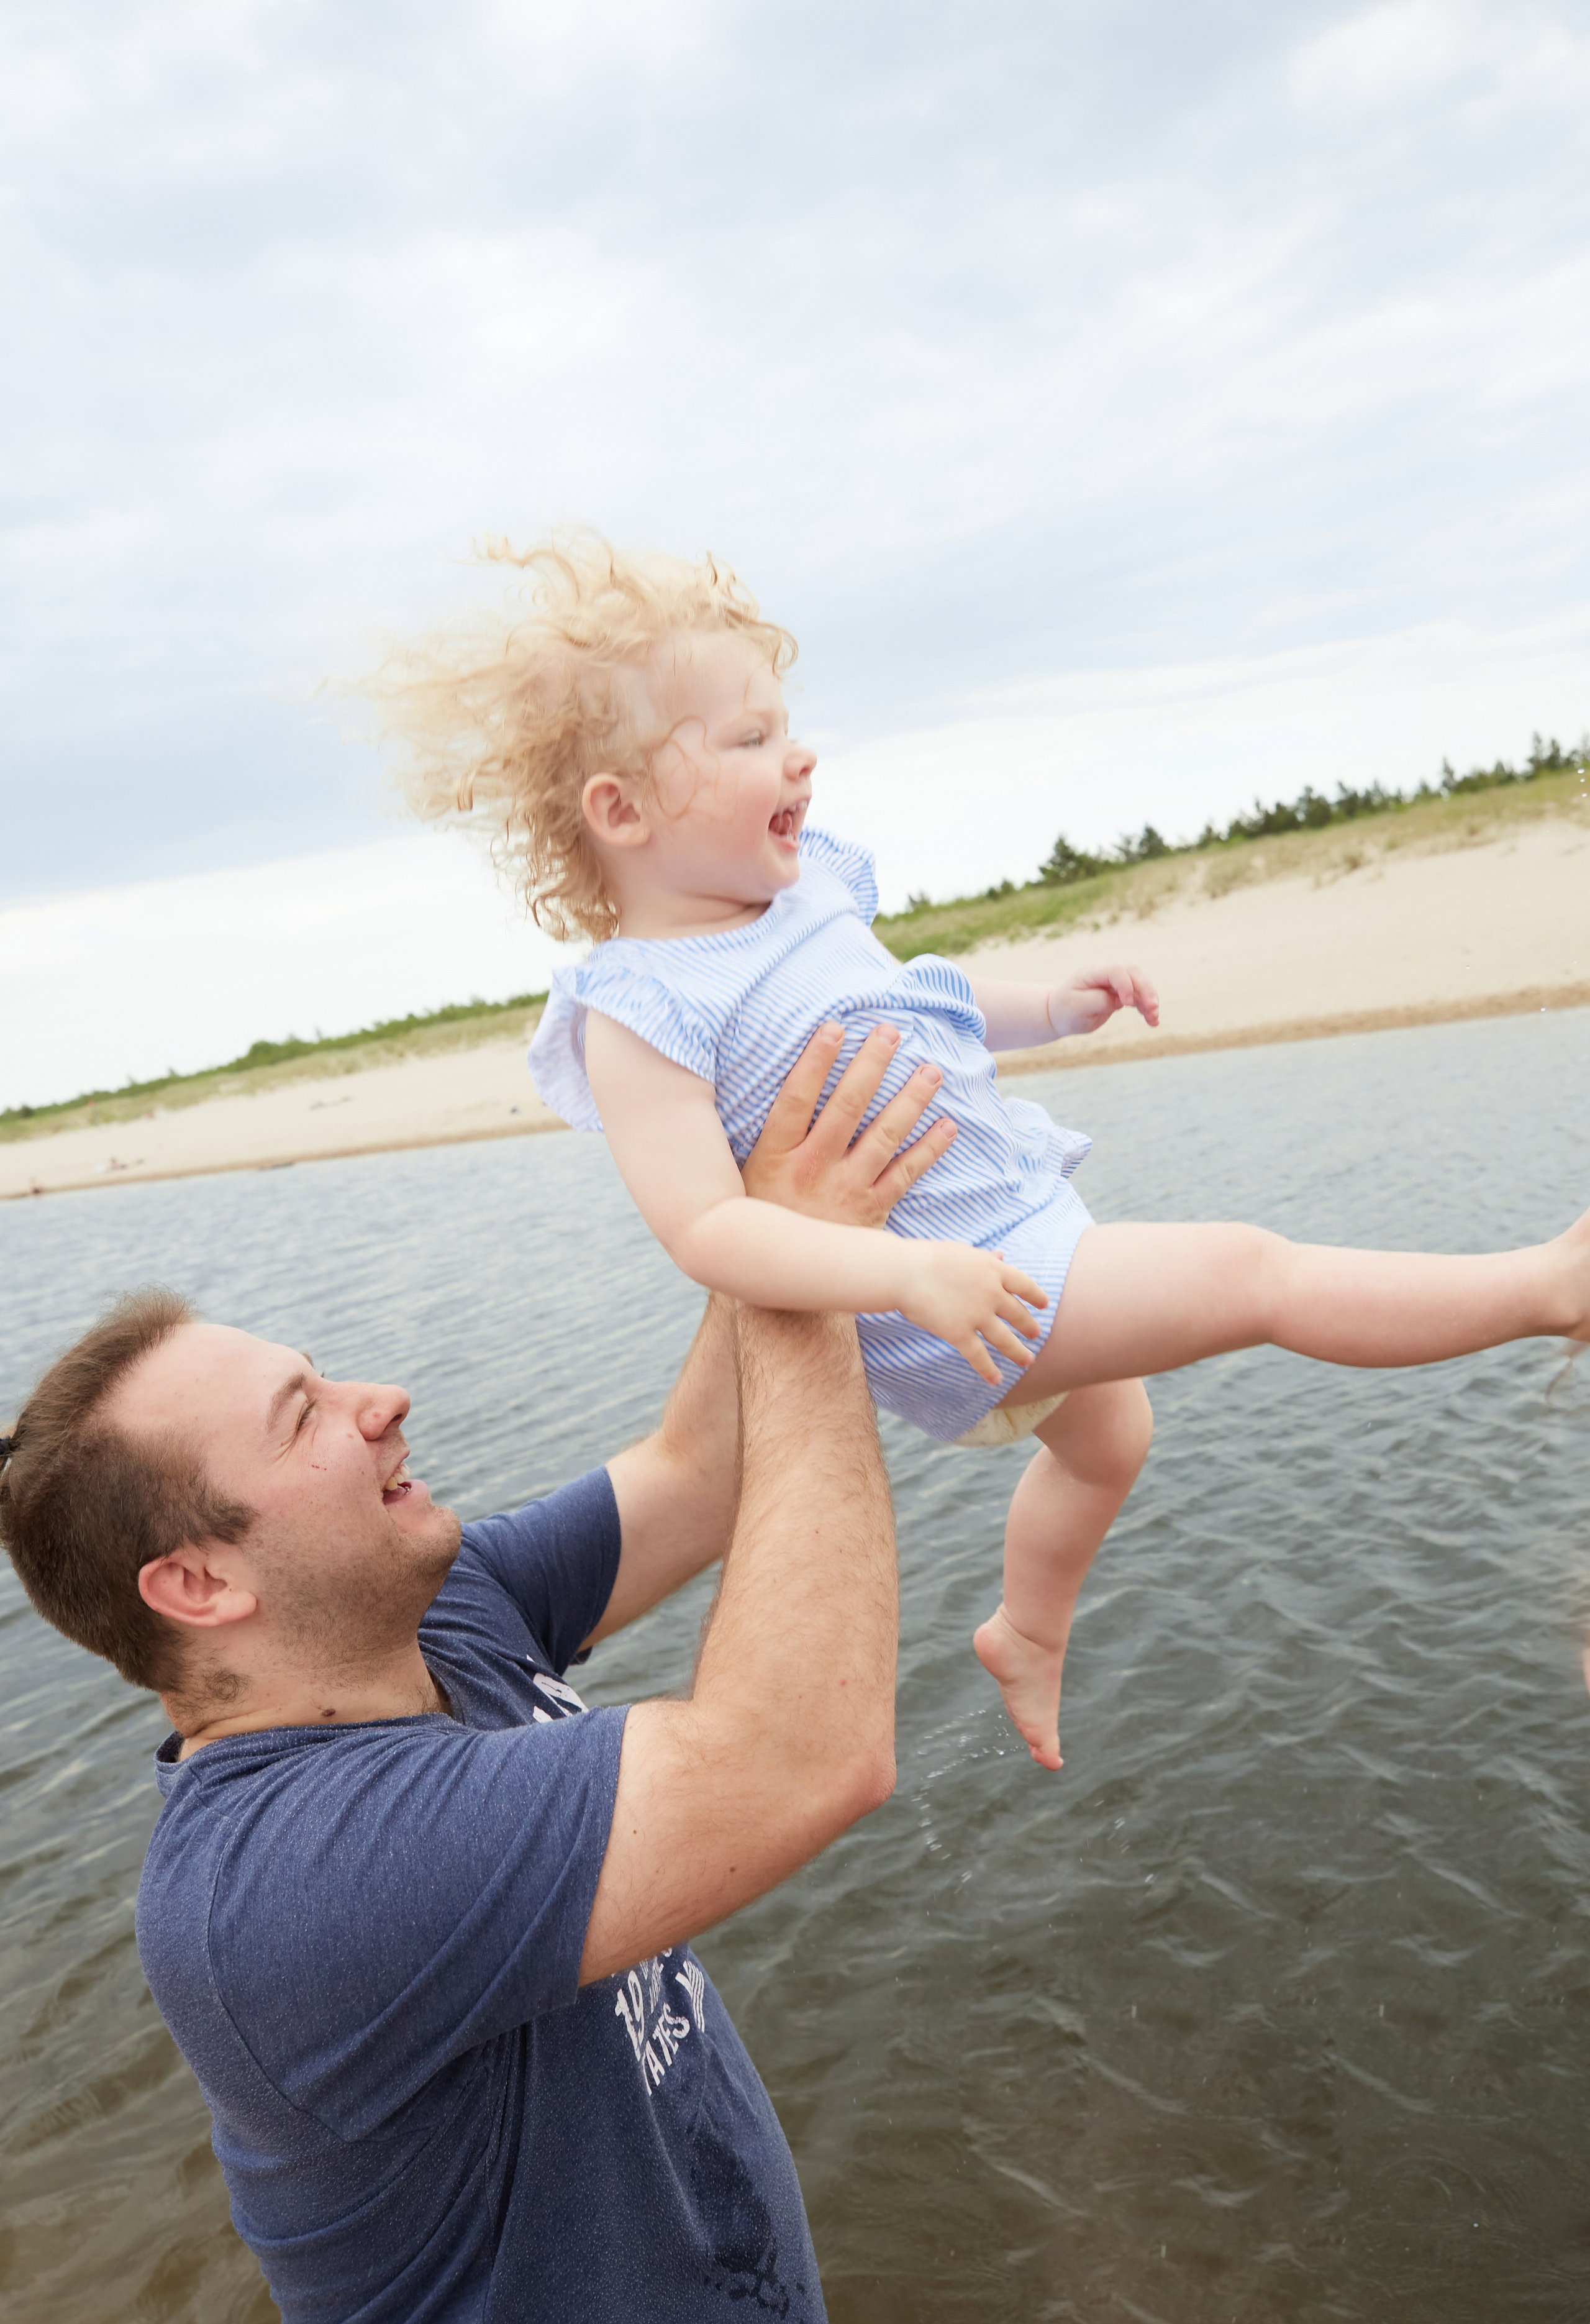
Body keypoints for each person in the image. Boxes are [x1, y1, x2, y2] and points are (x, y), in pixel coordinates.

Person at [380, 534, 1590, 1770]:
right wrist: (902, 1279)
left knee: (1111, 1440)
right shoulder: (641, 1010)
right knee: (1248, 1273)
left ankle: (1027, 1627)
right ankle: (1545, 1291)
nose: (796, 755)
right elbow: (706, 1233)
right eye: (747, 741)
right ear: (620, 810)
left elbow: (925, 1004)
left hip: (1017, 1231)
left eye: (784, 726)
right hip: (945, 1291)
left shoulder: (803, 903)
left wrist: (1052, 1007)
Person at [0, 1034, 953, 2324]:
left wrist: (765, 1215)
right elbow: (803, 1755)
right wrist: (820, 1273)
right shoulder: (288, 1889)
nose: (381, 1400)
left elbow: (693, 1470)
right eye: (304, 1416)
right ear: (200, 1582)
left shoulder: (425, 1610)